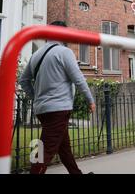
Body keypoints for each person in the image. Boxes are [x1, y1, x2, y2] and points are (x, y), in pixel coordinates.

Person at [19, 21, 96, 174]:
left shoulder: (36, 54)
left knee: (63, 147)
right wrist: (90, 100)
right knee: (45, 150)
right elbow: (78, 79)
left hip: (42, 110)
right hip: (58, 109)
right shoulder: (64, 52)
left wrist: (36, 97)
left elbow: (23, 80)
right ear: (61, 34)